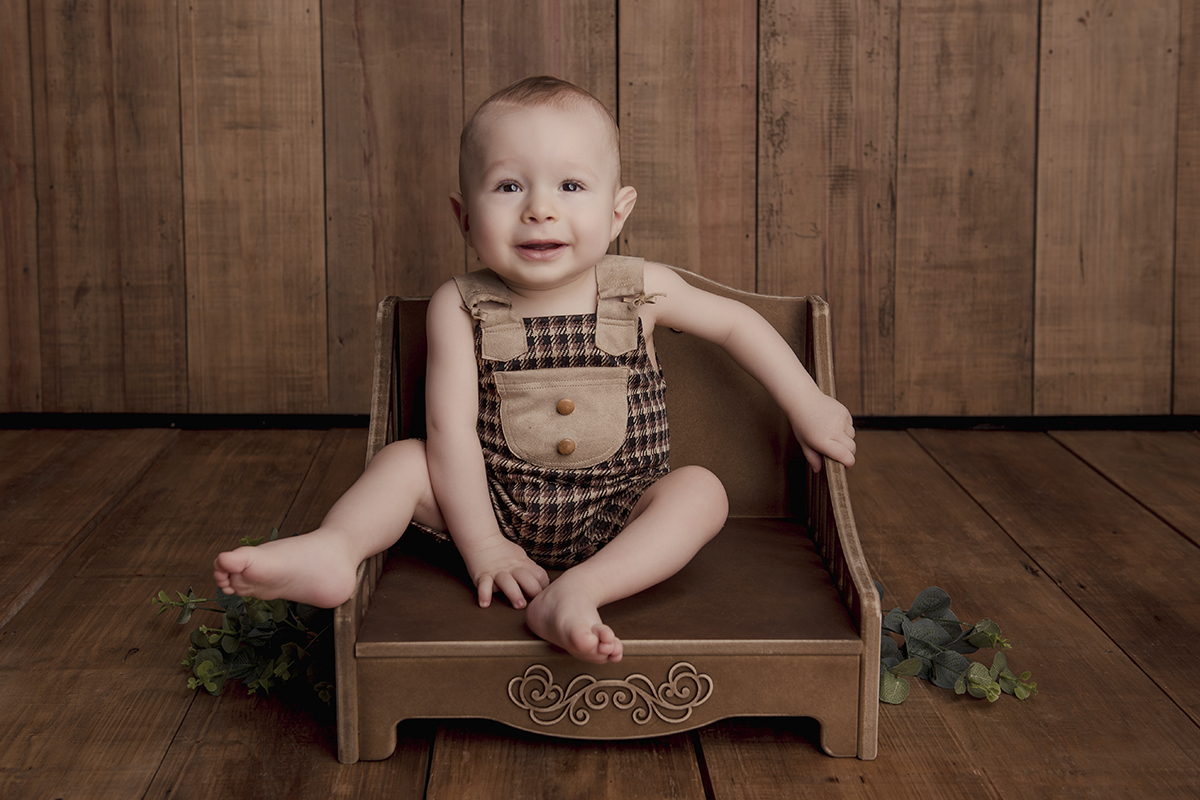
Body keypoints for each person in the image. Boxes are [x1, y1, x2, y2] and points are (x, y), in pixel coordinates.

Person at [213, 76, 856, 665]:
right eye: (508, 186)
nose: (539, 209)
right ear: (465, 217)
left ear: (618, 212)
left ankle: (579, 591)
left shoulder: (640, 288)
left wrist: (807, 401)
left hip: (621, 510)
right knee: (403, 462)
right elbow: (449, 431)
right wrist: (485, 546)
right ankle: (336, 548)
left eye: (570, 186)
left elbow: (738, 323)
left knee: (701, 493)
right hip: (489, 506)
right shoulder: (460, 304)